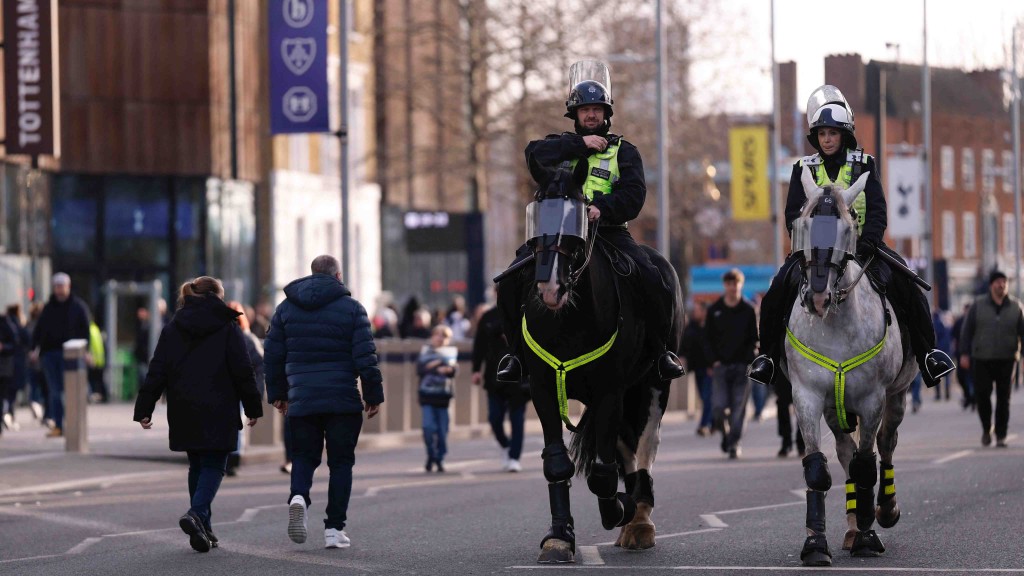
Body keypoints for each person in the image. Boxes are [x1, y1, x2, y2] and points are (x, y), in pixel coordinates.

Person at [748, 84, 954, 391]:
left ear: (844, 135)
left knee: (907, 283)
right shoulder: (802, 168)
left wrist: (869, 241)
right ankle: (767, 357)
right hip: (814, 252)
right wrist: (807, 244)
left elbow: (878, 210)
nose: (827, 140)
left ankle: (927, 354)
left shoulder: (864, 164)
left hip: (862, 249)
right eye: (821, 134)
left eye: (832, 133)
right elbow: (793, 215)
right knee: (778, 289)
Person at [495, 66, 684, 383]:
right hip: (560, 233)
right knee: (511, 278)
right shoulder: (559, 147)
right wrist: (580, 146)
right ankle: (515, 355)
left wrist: (601, 208)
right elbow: (533, 155)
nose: (591, 115)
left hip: (608, 233)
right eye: (585, 110)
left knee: (653, 277)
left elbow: (635, 195)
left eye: (597, 109)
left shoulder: (625, 151)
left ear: (606, 113)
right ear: (575, 114)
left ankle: (661, 351)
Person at [133, 276, 263, 553]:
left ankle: (204, 527)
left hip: (183, 406)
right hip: (219, 405)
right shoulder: (228, 327)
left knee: (197, 465)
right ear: (216, 297)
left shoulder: (173, 326)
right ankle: (196, 514)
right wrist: (253, 407)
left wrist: (144, 408)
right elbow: (243, 371)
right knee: (215, 464)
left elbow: (158, 369)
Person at [264, 255, 384, 550]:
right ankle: (334, 529)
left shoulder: (285, 309)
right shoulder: (353, 309)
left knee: (304, 457)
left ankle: (298, 497)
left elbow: (273, 356)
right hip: (342, 399)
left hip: (302, 398)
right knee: (341, 463)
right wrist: (373, 395)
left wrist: (278, 394)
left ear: (311, 274)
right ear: (337, 275)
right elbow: (365, 357)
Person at [958, 270, 1024, 448]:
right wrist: (964, 353)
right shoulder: (978, 305)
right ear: (991, 285)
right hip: (982, 358)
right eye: (998, 282)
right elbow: (967, 331)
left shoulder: (1016, 307)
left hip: (1007, 358)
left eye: (1004, 282)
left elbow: (1023, 333)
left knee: (1004, 398)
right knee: (982, 396)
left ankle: (1001, 434)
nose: (1001, 285)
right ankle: (987, 428)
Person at [703, 269, 759, 459]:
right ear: (724, 285)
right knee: (718, 408)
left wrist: (750, 357)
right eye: (729, 283)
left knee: (738, 410)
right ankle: (726, 434)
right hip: (720, 367)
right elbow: (707, 339)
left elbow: (755, 338)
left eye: (735, 283)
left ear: (740, 285)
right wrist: (713, 361)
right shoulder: (714, 310)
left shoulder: (749, 309)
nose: (732, 287)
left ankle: (734, 443)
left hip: (743, 367)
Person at [31, 273, 91, 438]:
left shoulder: (78, 307)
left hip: (71, 355)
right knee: (55, 391)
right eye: (56, 286)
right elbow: (39, 330)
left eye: (61, 286)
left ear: (68, 287)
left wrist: (87, 351)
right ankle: (58, 424)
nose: (59, 289)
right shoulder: (49, 308)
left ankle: (73, 424)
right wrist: (34, 348)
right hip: (50, 354)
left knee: (70, 392)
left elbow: (85, 330)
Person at [472, 303, 527, 472]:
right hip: (493, 375)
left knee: (517, 419)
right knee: (494, 417)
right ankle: (506, 444)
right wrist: (475, 370)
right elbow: (479, 344)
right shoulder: (488, 317)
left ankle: (514, 457)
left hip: (519, 376)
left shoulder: (524, 313)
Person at [226, 301, 266, 477]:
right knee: (237, 425)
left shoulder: (219, 337)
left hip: (225, 389)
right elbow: (260, 367)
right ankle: (233, 458)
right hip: (239, 388)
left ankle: (229, 458)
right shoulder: (248, 339)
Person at [418, 325, 457, 472]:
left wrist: (449, 369)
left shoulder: (451, 352)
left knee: (442, 432)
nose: (440, 338)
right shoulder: (425, 351)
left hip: (444, 398)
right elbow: (421, 368)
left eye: (444, 336)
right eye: (437, 334)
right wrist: (439, 365)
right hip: (427, 396)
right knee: (428, 428)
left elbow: (453, 370)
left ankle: (439, 458)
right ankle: (431, 454)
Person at [680, 301, 713, 437]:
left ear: (705, 312)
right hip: (697, 367)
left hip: (710, 368)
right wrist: (681, 356)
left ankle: (704, 425)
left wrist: (712, 364)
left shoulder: (712, 326)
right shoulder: (691, 327)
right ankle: (714, 421)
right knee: (704, 397)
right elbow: (684, 343)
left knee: (707, 397)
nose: (695, 312)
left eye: (698, 310)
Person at [951, 303, 975, 410]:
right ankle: (968, 396)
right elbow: (953, 337)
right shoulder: (959, 322)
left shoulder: (975, 322)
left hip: (974, 355)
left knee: (972, 378)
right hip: (961, 354)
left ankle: (973, 398)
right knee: (961, 377)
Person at [932, 310, 953, 401]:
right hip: (947, 351)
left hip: (938, 352)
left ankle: (938, 394)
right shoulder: (948, 327)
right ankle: (947, 392)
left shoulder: (935, 325)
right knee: (947, 374)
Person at [87, 320, 108, 404]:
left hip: (93, 360)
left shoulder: (89, 330)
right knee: (100, 380)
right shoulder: (95, 329)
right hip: (100, 359)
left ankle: (95, 397)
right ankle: (104, 396)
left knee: (93, 381)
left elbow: (91, 346)